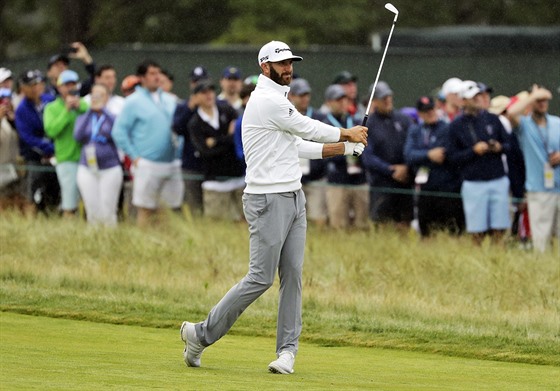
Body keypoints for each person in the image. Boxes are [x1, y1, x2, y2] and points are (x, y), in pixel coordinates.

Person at [180, 40, 368, 375]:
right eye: (281, 64)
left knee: (293, 275)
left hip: (294, 196)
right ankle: (200, 334)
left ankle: (286, 352)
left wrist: (342, 149)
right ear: (265, 67)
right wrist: (347, 133)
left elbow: (295, 144)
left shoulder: (280, 101)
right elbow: (306, 128)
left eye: (290, 63)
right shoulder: (266, 101)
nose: (288, 68)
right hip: (266, 199)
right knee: (260, 277)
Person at [113, 60, 184, 227]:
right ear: (142, 78)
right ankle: (144, 244)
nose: (157, 77)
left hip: (171, 162)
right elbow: (119, 131)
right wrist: (135, 156)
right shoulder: (133, 101)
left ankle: (163, 245)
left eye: (158, 73)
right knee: (145, 208)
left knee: (167, 209)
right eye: (152, 73)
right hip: (147, 163)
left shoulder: (169, 99)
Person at [446, 81, 511, 245]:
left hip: (497, 179)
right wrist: (473, 151)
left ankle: (498, 257)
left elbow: (510, 145)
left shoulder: (494, 119)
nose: (478, 99)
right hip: (473, 183)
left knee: (500, 226)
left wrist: (499, 147)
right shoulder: (455, 126)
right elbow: (452, 157)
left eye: (478, 96)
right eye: (473, 97)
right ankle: (478, 259)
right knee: (476, 228)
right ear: (463, 101)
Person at [507, 85, 560, 252]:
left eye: (545, 100)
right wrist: (532, 96)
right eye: (538, 100)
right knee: (541, 240)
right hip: (539, 190)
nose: (542, 103)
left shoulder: (557, 122)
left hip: (559, 186)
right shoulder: (524, 125)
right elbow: (511, 113)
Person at [404, 96, 464, 236]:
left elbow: (444, 154)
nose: (430, 113)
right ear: (419, 113)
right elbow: (408, 155)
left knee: (450, 230)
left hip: (446, 188)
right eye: (426, 111)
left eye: (431, 109)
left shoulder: (446, 128)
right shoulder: (415, 130)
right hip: (425, 188)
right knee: (426, 231)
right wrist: (429, 154)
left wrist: (421, 154)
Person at [187, 80, 245, 221]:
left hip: (238, 179)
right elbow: (205, 152)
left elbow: (239, 138)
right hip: (214, 183)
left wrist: (216, 141)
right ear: (196, 97)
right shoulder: (194, 123)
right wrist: (228, 137)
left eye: (211, 91)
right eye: (204, 92)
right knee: (217, 227)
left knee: (246, 224)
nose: (209, 95)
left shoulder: (226, 109)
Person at [361, 81, 413, 229]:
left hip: (405, 181)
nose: (387, 100)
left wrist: (406, 167)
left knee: (404, 223)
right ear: (374, 101)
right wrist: (391, 170)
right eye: (383, 98)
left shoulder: (404, 120)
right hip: (381, 183)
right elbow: (367, 157)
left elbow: (412, 147)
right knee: (381, 224)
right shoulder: (368, 124)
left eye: (389, 96)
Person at [321, 84, 369, 229]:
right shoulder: (324, 125)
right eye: (338, 100)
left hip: (359, 180)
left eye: (345, 99)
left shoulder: (356, 122)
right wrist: (347, 150)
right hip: (337, 181)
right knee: (338, 224)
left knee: (362, 225)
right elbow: (324, 152)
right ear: (329, 102)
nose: (343, 103)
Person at [74, 84, 123, 226]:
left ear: (107, 98)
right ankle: (93, 240)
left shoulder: (112, 116)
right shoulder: (85, 116)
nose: (96, 98)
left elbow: (118, 133)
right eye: (94, 95)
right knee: (92, 210)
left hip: (110, 168)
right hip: (87, 168)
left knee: (108, 210)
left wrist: (104, 111)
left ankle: (110, 238)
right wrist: (90, 111)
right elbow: (77, 135)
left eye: (100, 95)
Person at [44, 70, 88, 218]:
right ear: (59, 87)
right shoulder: (51, 107)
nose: (70, 88)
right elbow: (51, 130)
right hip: (66, 159)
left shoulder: (85, 105)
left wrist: (80, 107)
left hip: (87, 159)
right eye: (66, 85)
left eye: (73, 84)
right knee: (70, 204)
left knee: (89, 202)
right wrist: (66, 111)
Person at [14, 70, 59, 215]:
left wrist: (56, 147)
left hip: (57, 156)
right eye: (32, 85)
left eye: (39, 84)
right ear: (24, 88)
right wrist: (49, 147)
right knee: (33, 191)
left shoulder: (51, 100)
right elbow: (27, 137)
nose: (36, 88)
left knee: (56, 190)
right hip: (35, 157)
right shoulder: (21, 110)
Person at [288, 78, 328, 227]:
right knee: (292, 223)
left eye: (307, 95)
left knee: (318, 219)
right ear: (291, 96)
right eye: (300, 95)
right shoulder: (286, 118)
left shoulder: (319, 118)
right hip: (292, 180)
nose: (304, 98)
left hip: (315, 179)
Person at [172, 66, 209, 217]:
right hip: (190, 163)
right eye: (195, 82)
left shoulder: (215, 105)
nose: (198, 85)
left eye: (201, 82)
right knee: (194, 207)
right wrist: (190, 108)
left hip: (210, 164)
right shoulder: (183, 106)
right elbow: (177, 128)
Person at [0, 87, 25, 211]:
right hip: (1, 169)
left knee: (17, 201)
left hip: (15, 168)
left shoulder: (14, 120)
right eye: (2, 101)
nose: (5, 104)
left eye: (8, 100)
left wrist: (13, 122)